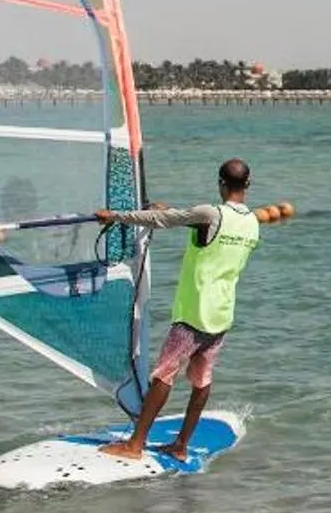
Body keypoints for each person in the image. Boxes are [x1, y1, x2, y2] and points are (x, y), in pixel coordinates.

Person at [96, 159, 262, 461]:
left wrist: (114, 215)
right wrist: (167, 210)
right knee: (201, 379)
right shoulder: (252, 222)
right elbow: (188, 220)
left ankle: (135, 446)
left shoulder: (211, 214)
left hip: (194, 312)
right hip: (222, 314)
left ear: (220, 183)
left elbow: (167, 221)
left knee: (163, 375)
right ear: (248, 185)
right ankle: (181, 446)